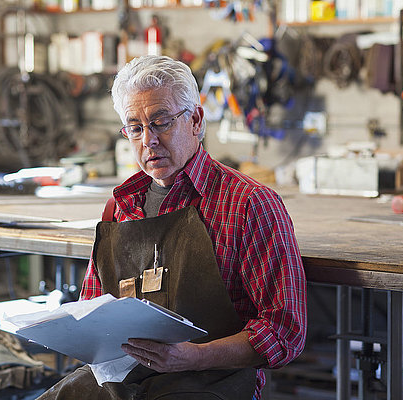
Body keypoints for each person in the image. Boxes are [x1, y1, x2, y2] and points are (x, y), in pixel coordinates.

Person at [39, 55, 306, 400]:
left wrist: (195, 357)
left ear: (195, 120)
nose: (148, 140)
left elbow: (285, 331)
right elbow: (91, 307)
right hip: (121, 380)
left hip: (209, 382)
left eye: (161, 122)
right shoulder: (120, 207)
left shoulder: (249, 204)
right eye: (135, 128)